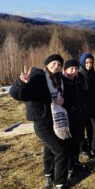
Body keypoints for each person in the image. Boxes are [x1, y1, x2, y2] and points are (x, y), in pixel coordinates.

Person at [10, 54, 69, 188]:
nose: (56, 66)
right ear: (47, 64)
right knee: (61, 151)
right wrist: (22, 82)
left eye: (59, 65)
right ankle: (60, 183)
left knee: (49, 148)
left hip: (54, 120)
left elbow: (61, 98)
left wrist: (63, 101)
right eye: (54, 63)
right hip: (41, 122)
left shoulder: (58, 80)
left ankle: (48, 176)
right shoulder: (38, 77)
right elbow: (16, 94)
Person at [62, 59, 88, 177]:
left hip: (79, 114)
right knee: (69, 143)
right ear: (65, 70)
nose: (74, 71)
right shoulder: (62, 82)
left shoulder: (78, 80)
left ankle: (76, 162)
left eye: (76, 69)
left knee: (78, 139)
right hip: (68, 116)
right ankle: (69, 167)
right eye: (71, 69)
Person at [79, 52, 95, 158]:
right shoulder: (78, 76)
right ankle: (83, 150)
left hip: (93, 109)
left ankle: (94, 149)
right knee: (82, 132)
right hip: (83, 110)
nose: (89, 64)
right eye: (87, 62)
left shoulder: (94, 74)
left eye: (91, 62)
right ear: (82, 63)